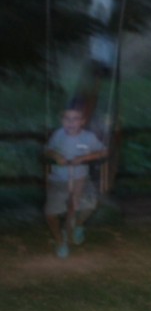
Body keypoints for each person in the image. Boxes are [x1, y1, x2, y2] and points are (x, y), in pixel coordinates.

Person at [43, 105, 107, 259]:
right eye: (67, 119)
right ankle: (60, 242)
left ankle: (77, 226)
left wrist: (84, 158)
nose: (71, 122)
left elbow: (103, 151)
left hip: (80, 179)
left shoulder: (89, 137)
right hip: (59, 180)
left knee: (89, 204)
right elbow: (47, 149)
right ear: (62, 121)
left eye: (75, 119)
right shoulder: (58, 134)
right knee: (51, 214)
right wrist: (56, 155)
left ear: (82, 122)